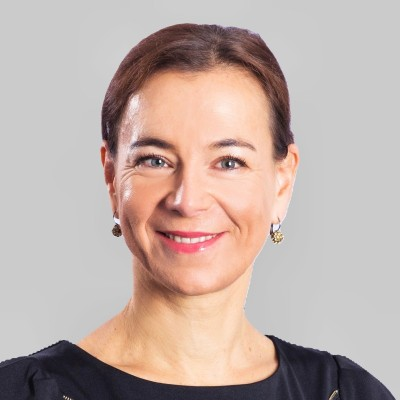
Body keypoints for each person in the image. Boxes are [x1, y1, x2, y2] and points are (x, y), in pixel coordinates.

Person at [0, 23, 395, 400]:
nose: (188, 201)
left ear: (282, 182)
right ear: (111, 178)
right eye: (155, 160)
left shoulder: (346, 393)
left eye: (228, 162)